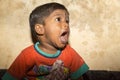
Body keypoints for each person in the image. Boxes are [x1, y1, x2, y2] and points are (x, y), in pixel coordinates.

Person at [2, 2, 89, 80]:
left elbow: (79, 77)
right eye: (58, 19)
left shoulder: (70, 53)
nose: (66, 24)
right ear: (40, 29)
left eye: (67, 21)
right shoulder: (27, 55)